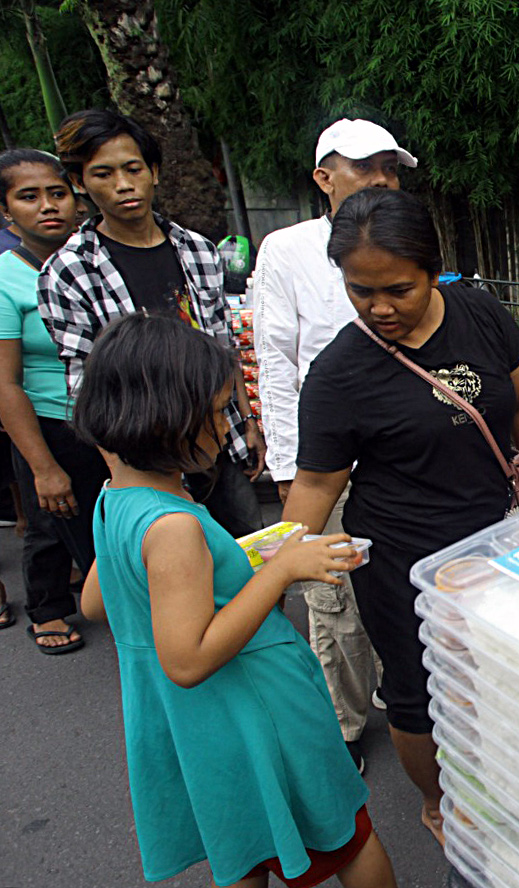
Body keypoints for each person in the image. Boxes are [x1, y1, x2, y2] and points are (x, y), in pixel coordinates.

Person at [73, 312, 396, 888]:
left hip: (196, 729)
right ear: (167, 416)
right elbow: (189, 659)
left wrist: (233, 564)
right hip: (257, 709)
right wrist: (282, 572)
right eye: (218, 412)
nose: (227, 428)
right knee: (347, 836)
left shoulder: (113, 500)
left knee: (243, 849)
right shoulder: (174, 525)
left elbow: (99, 603)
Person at [281, 187, 519, 845]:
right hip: (402, 564)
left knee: (508, 670)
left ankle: (509, 776)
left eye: (398, 290)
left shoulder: (480, 314)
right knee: (417, 696)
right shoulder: (339, 373)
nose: (379, 308)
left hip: (501, 546)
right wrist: (268, 569)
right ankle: (438, 802)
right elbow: (318, 482)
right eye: (359, 291)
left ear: (434, 270)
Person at [252, 118, 413, 773]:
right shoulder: (288, 249)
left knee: (394, 578)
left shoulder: (408, 238)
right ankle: (342, 722)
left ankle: (397, 694)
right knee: (332, 592)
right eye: (364, 166)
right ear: (324, 177)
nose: (382, 178)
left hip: (399, 450)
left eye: (390, 167)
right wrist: (291, 472)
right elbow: (276, 360)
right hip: (326, 459)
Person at [36, 108, 264, 537]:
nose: (123, 185)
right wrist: (124, 482)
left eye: (133, 168)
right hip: (144, 456)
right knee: (173, 572)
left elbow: (221, 342)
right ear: (80, 183)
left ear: (153, 171)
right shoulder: (69, 270)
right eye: (103, 174)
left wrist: (247, 421)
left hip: (216, 441)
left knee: (247, 555)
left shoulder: (195, 249)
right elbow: (86, 385)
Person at [0, 148, 110, 652]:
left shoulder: (97, 260)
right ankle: (47, 607)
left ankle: (115, 589)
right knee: (52, 513)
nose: (49, 205)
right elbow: (6, 383)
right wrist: (42, 465)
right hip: (50, 422)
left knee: (110, 519)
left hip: (114, 419)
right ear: (6, 212)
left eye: (58, 193)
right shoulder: (7, 279)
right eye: (29, 196)